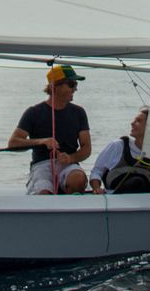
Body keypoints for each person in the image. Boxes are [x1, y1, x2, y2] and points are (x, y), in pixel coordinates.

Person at [7, 64, 91, 195]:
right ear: (54, 86)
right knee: (44, 192)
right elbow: (13, 143)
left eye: (75, 85)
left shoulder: (79, 112)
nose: (75, 89)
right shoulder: (33, 112)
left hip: (68, 164)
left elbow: (86, 148)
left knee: (78, 180)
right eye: (71, 84)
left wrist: (71, 158)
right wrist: (41, 141)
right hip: (41, 165)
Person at [89, 107, 150, 193]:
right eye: (134, 120)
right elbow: (97, 171)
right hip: (116, 193)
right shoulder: (118, 145)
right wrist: (97, 189)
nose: (132, 123)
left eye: (138, 121)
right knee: (137, 182)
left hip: (142, 194)